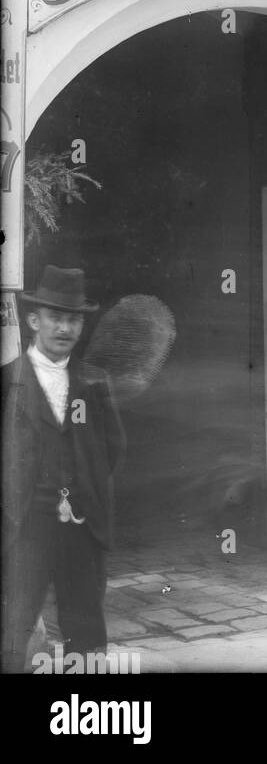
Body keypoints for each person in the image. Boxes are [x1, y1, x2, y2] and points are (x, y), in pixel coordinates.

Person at [1, 266, 125, 673]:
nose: (65, 328)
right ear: (35, 320)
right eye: (56, 317)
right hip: (24, 523)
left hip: (81, 522)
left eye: (74, 319)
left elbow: (111, 447)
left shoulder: (93, 383)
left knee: (85, 627)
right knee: (14, 624)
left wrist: (80, 486)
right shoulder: (8, 381)